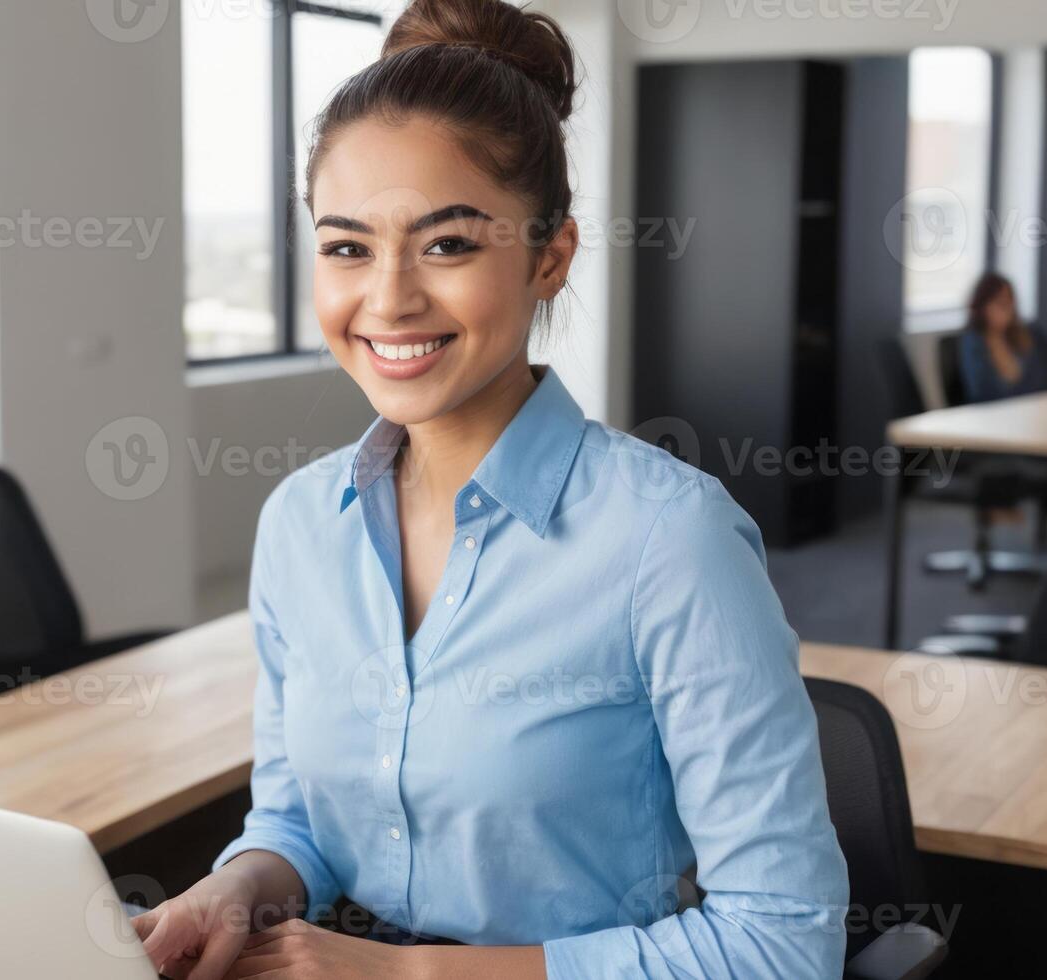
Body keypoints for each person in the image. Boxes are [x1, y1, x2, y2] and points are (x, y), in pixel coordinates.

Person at [132, 0, 848, 976]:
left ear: (549, 257)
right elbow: (295, 814)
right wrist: (241, 881)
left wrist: (405, 972)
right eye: (346, 246)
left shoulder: (666, 538)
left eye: (447, 244)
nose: (387, 298)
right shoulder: (300, 522)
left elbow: (779, 941)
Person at [958, 273, 1047, 404]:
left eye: (1010, 301)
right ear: (983, 306)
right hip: (1001, 415)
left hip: (1043, 407)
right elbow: (983, 394)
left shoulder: (1029, 333)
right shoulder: (974, 343)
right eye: (1000, 302)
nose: (1008, 309)